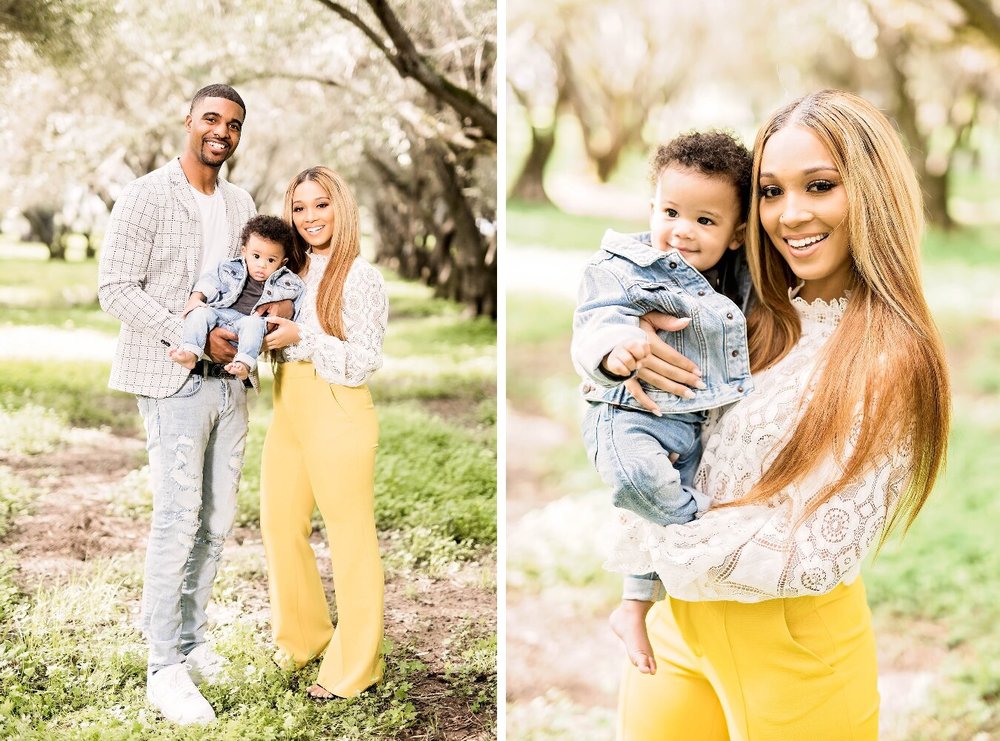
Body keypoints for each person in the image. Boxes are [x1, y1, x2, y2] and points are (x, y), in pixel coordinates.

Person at [604, 89, 950, 739]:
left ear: (874, 190)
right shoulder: (739, 314)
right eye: (770, 191)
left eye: (820, 185)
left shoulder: (890, 354)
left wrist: (662, 536)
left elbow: (816, 551)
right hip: (675, 629)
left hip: (795, 645)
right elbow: (656, 437)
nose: (791, 214)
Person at [98, 83, 290, 725]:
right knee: (177, 517)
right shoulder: (146, 195)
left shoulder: (241, 202)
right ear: (188, 121)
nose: (222, 131)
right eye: (211, 119)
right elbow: (115, 289)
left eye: (233, 124)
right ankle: (163, 667)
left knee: (216, 520)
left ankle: (193, 642)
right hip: (171, 377)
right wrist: (191, 335)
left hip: (230, 383)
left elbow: (255, 282)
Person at [571, 132, 754, 675]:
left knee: (656, 516)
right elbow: (595, 323)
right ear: (651, 208)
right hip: (627, 414)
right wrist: (614, 351)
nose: (682, 231)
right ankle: (700, 535)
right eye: (671, 211)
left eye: (705, 220)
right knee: (642, 485)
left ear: (737, 234)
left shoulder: (736, 276)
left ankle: (632, 607)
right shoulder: (621, 268)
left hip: (691, 422)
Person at [257, 166, 388, 700]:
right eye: (300, 207)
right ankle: (304, 639)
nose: (309, 217)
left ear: (342, 208)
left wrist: (302, 336)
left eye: (321, 205)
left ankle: (356, 666)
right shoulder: (287, 271)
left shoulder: (360, 276)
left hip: (338, 409)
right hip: (289, 408)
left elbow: (362, 362)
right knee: (279, 526)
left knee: (350, 539)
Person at [169, 214, 306, 380]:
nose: (261, 265)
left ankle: (244, 364)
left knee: (254, 323)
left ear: (282, 263)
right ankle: (190, 352)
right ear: (244, 252)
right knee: (199, 313)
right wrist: (196, 298)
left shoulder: (291, 283)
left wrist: (290, 312)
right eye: (256, 256)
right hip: (221, 314)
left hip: (248, 322)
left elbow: (298, 307)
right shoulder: (229, 267)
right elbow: (211, 280)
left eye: (271, 260)